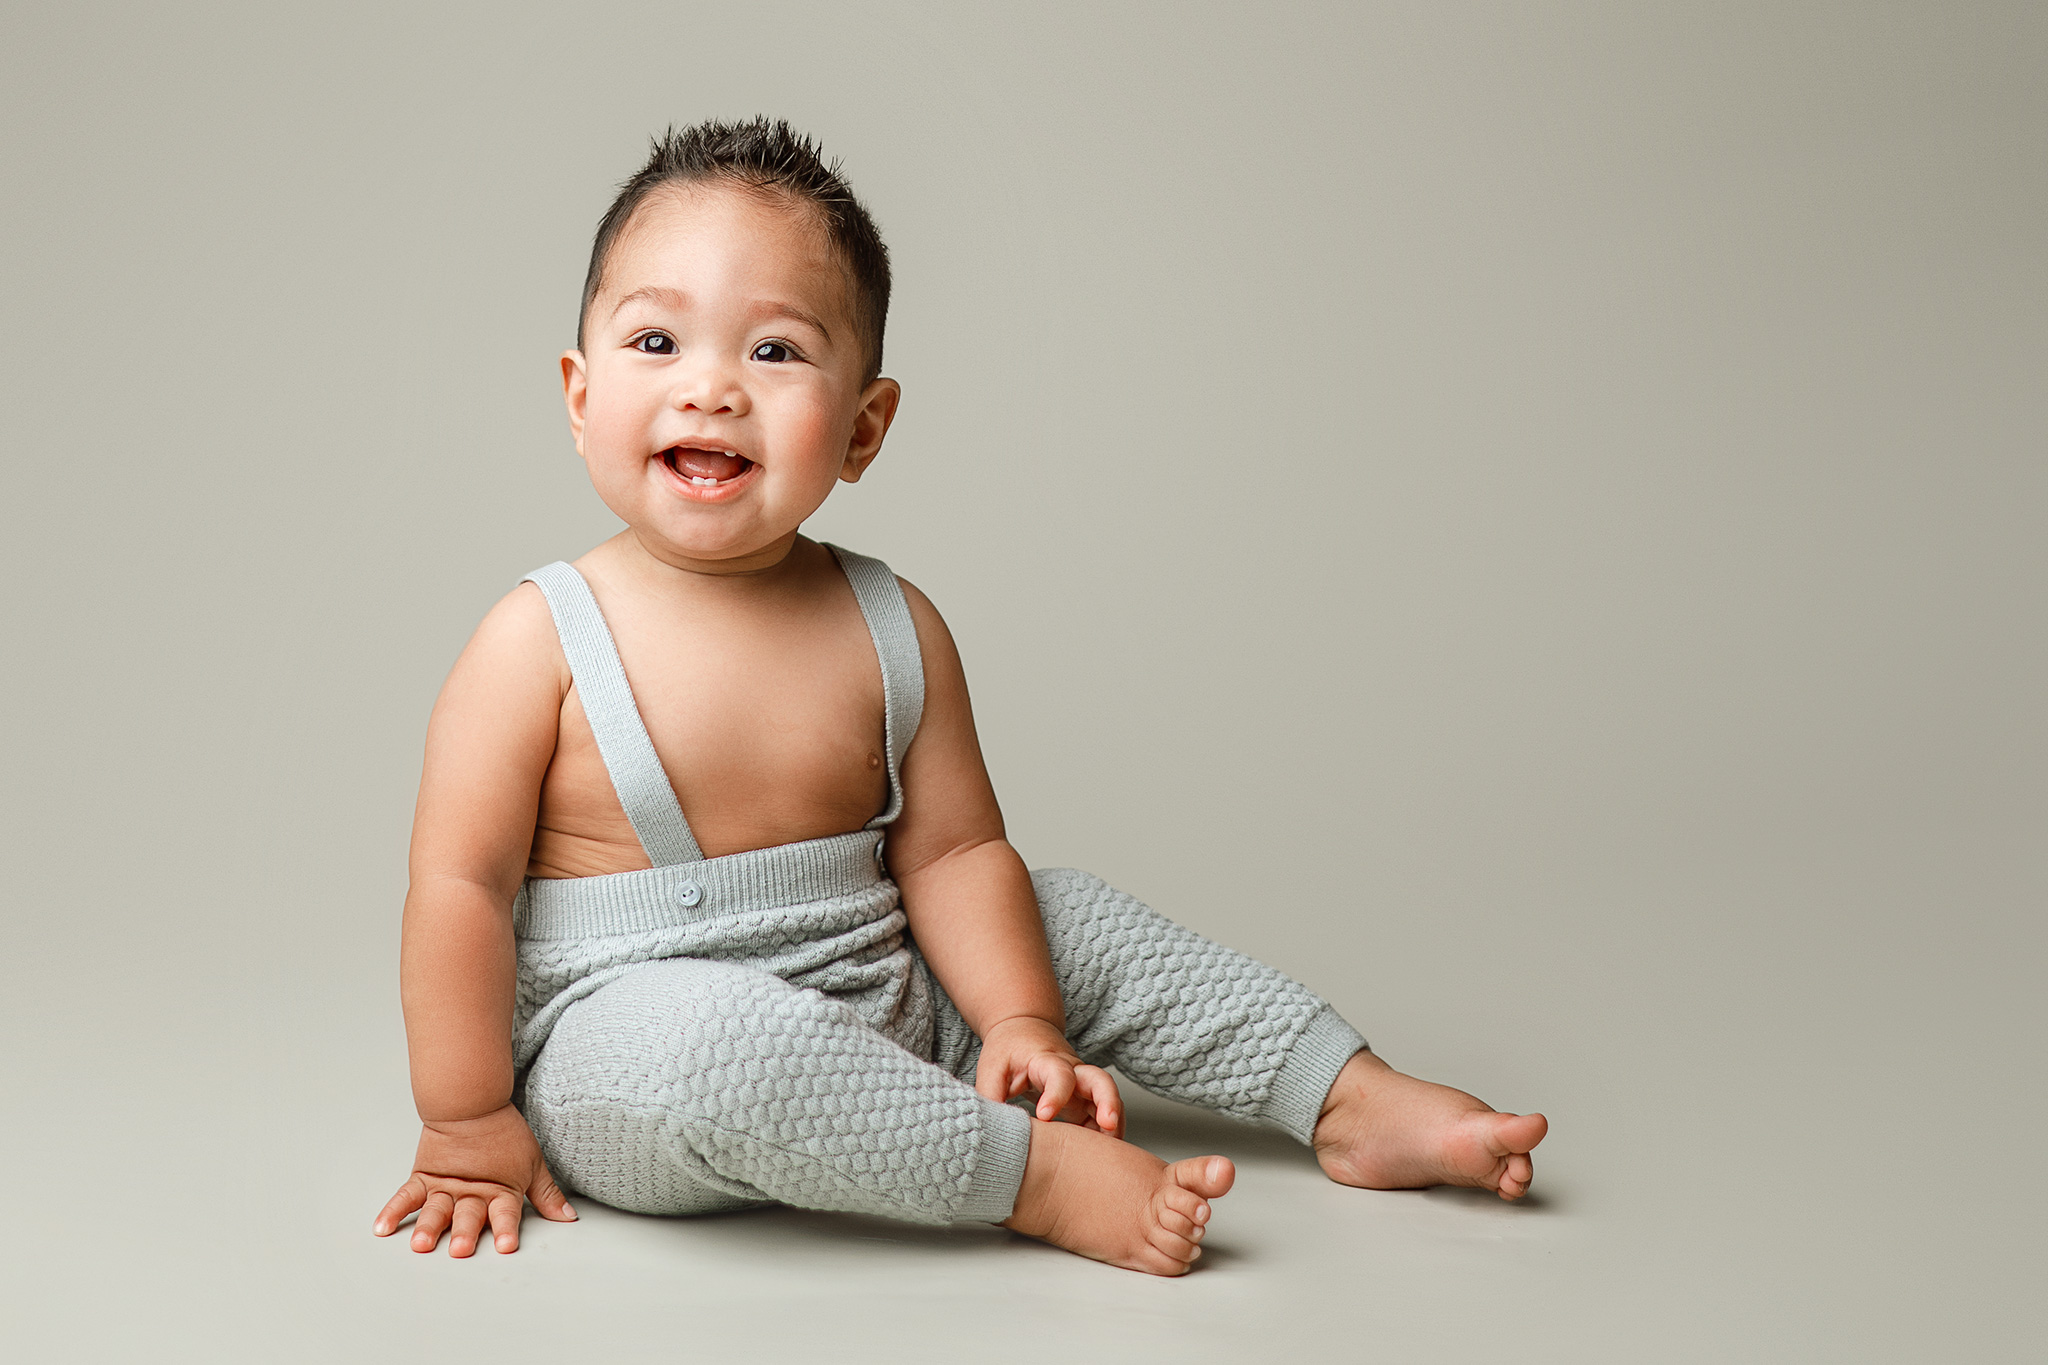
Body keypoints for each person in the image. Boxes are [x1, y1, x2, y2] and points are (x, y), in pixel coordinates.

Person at [372, 118, 1547, 1276]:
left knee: (1062, 911)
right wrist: (470, 1121)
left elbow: (950, 858)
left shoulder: (892, 624)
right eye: (655, 343)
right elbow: (461, 887)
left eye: (774, 352)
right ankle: (1030, 1179)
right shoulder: (537, 641)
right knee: (712, 1050)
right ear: (579, 394)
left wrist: (1022, 1021)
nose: (712, 390)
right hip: (626, 1047)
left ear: (863, 428)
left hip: (885, 991)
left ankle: (1343, 1097)